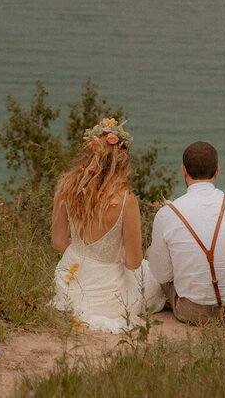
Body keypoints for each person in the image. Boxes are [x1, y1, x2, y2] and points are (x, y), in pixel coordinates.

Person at [51, 118, 166, 333]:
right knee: (151, 281)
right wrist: (113, 253)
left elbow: (58, 243)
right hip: (108, 295)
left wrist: (86, 255)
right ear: (122, 160)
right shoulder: (126, 200)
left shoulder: (66, 185)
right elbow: (132, 262)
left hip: (69, 284)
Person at [147, 140, 225, 324]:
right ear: (217, 171)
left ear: (183, 171)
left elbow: (161, 275)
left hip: (193, 312)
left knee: (154, 258)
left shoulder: (168, 213)